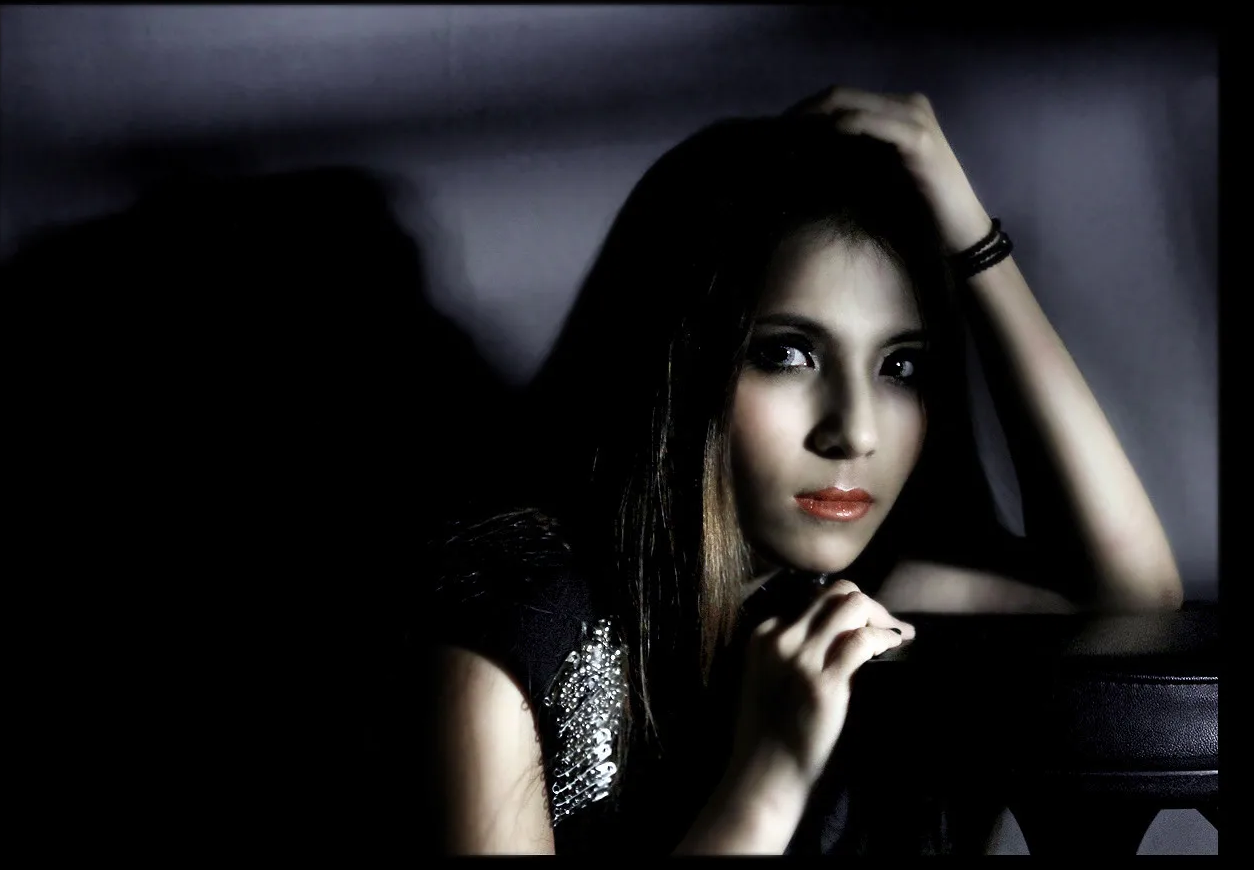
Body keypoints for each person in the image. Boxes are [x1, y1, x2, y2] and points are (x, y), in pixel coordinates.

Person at [403, 87, 1184, 855]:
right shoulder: (513, 634)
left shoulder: (844, 597)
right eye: (786, 353)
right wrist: (770, 776)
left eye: (900, 365)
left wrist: (974, 240)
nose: (855, 432)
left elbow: (1129, 605)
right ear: (679, 362)